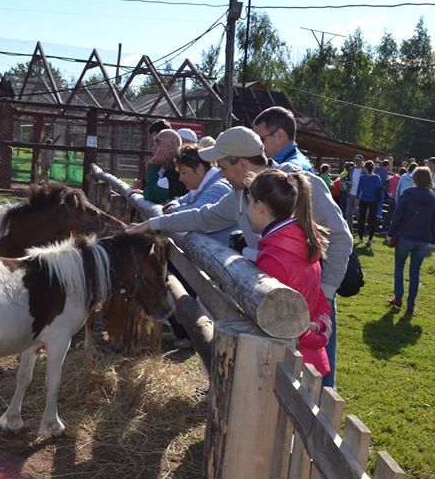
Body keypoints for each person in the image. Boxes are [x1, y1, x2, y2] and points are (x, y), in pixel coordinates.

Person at [128, 126, 351, 388]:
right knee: (280, 381)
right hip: (272, 301)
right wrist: (155, 223)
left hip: (313, 301)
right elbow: (204, 217)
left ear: (242, 164)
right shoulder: (239, 195)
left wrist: (324, 292)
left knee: (316, 383)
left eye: (222, 166)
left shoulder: (299, 184)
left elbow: (340, 237)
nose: (220, 174)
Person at [247, 169, 332, 378]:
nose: (247, 209)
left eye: (248, 202)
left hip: (288, 365)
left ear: (259, 208)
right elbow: (318, 296)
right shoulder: (304, 243)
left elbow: (286, 322)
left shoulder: (274, 258)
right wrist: (320, 327)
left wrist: (320, 336)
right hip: (311, 361)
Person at [386, 166, 435, 317]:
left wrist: (391, 234)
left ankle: (398, 298)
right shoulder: (432, 198)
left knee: (399, 268)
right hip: (423, 239)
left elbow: (397, 216)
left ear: (414, 179)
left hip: (405, 236)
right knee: (415, 272)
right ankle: (411, 304)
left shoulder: (406, 195)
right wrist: (434, 242)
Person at [162, 146, 235, 246]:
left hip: (222, 255)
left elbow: (195, 214)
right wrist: (174, 205)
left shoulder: (218, 188)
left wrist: (173, 211)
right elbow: (180, 200)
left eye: (184, 172)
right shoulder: (201, 187)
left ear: (199, 168)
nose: (180, 179)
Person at [252, 106, 314, 172]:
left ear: (280, 135)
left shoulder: (294, 172)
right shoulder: (290, 165)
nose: (256, 145)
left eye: (260, 139)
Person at [142, 129, 188, 204]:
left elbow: (149, 197)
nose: (153, 148)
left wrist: (153, 165)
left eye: (157, 143)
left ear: (171, 147)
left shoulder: (178, 171)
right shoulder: (168, 167)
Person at [354, 160, 382, 247]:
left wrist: (357, 199)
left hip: (364, 200)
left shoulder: (362, 177)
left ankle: (360, 238)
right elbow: (379, 189)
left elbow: (359, 189)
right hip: (373, 201)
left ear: (365, 168)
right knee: (372, 220)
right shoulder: (377, 177)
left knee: (362, 219)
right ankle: (370, 239)